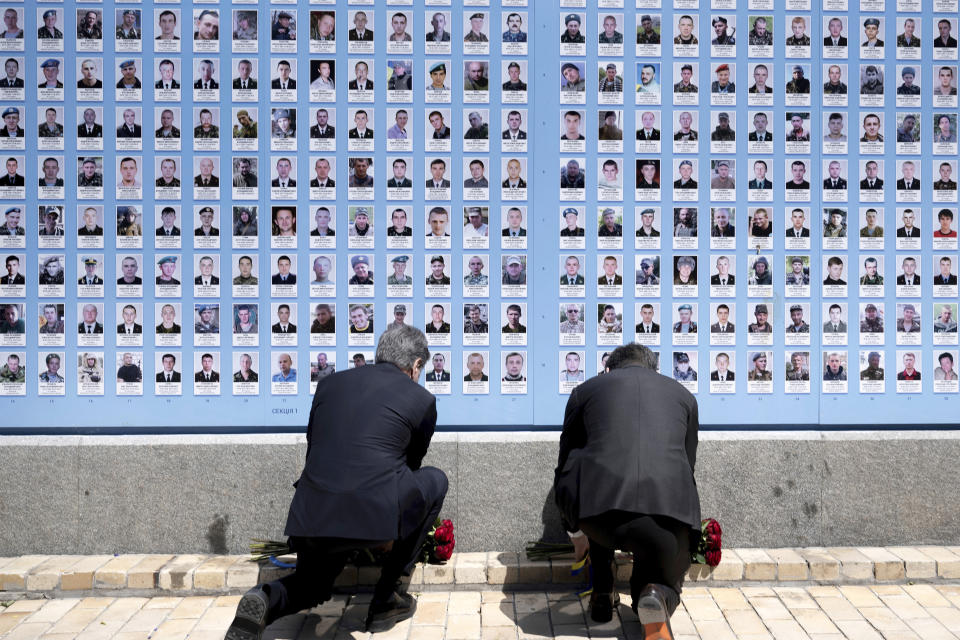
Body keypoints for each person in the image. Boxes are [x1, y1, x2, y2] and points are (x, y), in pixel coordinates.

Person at [554, 342, 698, 629]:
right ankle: (654, 594)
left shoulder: (585, 391)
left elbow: (566, 459)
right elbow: (689, 463)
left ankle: (602, 593)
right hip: (667, 520)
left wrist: (574, 529)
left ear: (609, 368)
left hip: (599, 520)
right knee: (659, 560)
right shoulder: (684, 396)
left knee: (596, 479)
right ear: (654, 369)